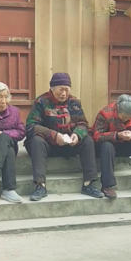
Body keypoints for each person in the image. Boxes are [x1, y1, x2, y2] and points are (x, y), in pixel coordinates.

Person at [24, 72, 103, 201]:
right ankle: (40, 186)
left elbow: (83, 124)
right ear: (52, 88)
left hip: (69, 144)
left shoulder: (74, 102)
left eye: (66, 90)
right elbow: (31, 126)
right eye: (61, 89)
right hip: (49, 145)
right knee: (36, 141)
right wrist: (54, 135)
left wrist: (77, 135)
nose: (64, 94)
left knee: (87, 140)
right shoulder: (41, 102)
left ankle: (89, 184)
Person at [92, 94, 131, 199]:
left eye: (129, 117)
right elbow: (97, 136)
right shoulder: (105, 113)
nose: (126, 119)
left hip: (123, 144)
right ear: (118, 110)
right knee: (107, 146)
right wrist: (117, 135)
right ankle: (107, 185)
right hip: (106, 146)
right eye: (124, 116)